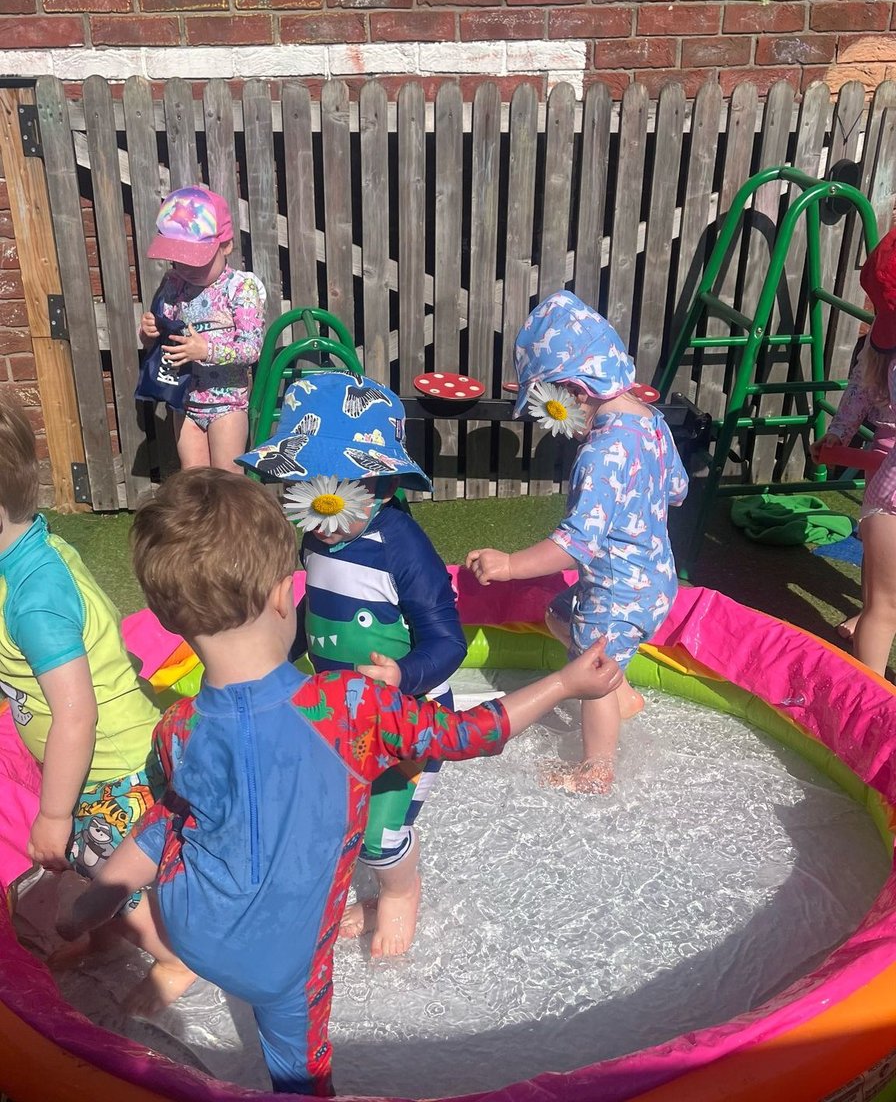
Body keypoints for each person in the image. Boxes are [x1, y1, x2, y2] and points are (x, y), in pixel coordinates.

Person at [54, 468, 623, 1096]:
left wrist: (100, 895)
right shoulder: (349, 705)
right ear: (282, 595)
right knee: (301, 1080)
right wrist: (566, 684)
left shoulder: (179, 727)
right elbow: (472, 735)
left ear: (167, 620)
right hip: (284, 970)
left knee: (178, 818)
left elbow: (170, 822)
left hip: (188, 930)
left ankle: (110, 906)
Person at [238, 371, 468, 959]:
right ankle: (345, 888)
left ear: (380, 483)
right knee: (329, 809)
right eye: (303, 487)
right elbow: (317, 604)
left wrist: (402, 676)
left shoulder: (401, 546)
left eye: (330, 488)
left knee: (382, 826)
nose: (318, 508)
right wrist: (276, 657)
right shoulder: (318, 536)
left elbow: (447, 638)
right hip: (339, 706)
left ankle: (398, 893)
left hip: (404, 713)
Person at [0, 398, 194, 1012]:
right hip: (101, 765)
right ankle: (109, 939)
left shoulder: (34, 600)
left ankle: (172, 957)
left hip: (114, 767)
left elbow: (75, 714)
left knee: (118, 874)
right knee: (96, 868)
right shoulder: (31, 548)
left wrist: (52, 816)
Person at [466, 291, 688, 794]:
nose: (552, 418)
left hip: (615, 592)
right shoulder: (652, 424)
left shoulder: (601, 455)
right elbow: (677, 490)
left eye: (551, 401)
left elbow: (574, 547)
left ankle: (596, 770)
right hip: (655, 580)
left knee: (591, 670)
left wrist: (507, 565)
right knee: (557, 614)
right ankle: (623, 695)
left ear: (574, 388)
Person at [140, 185, 265, 472]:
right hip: (183, 399)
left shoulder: (241, 288)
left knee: (226, 479)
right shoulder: (174, 284)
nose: (186, 268)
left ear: (226, 246)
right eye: (179, 259)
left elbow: (250, 349)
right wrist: (149, 334)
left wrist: (205, 350)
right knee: (193, 478)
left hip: (227, 405)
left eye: (195, 259)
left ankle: (232, 520)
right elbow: (164, 338)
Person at [809, 334, 896, 641]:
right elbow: (860, 386)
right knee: (880, 546)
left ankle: (880, 611)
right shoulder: (883, 333)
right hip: (885, 456)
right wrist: (838, 434)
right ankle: (874, 608)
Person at [845, 229, 896, 678]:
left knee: (882, 606)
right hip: (886, 481)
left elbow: (858, 393)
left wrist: (840, 438)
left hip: (887, 488)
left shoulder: (885, 352)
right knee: (882, 603)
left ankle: (868, 705)